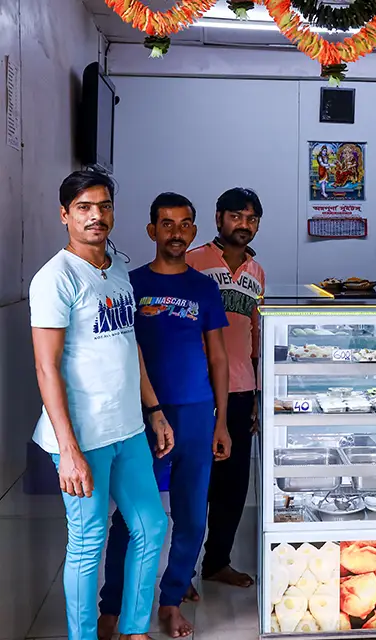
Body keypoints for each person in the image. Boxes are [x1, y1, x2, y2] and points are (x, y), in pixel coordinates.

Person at [29, 171, 174, 640]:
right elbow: (47, 368)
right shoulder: (55, 278)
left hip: (127, 428)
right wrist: (67, 451)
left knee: (151, 527)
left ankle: (134, 630)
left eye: (104, 206)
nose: (96, 215)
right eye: (85, 207)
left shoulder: (116, 268)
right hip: (82, 435)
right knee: (88, 542)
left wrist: (153, 410)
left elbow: (129, 344)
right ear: (65, 215)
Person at [98, 193, 232, 638]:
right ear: (152, 230)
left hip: (196, 413)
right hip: (142, 416)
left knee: (193, 516)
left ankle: (171, 599)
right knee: (133, 517)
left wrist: (221, 420)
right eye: (167, 224)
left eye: (185, 224)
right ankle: (112, 606)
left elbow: (218, 358)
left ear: (194, 231)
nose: (176, 232)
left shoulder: (203, 287)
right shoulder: (128, 284)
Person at [187, 187, 266, 588]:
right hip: (196, 389)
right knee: (195, 483)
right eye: (237, 217)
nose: (244, 225)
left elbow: (255, 336)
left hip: (239, 390)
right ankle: (181, 572)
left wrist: (256, 395)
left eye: (252, 219)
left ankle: (216, 562)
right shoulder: (194, 261)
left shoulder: (256, 272)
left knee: (233, 486)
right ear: (219, 219)